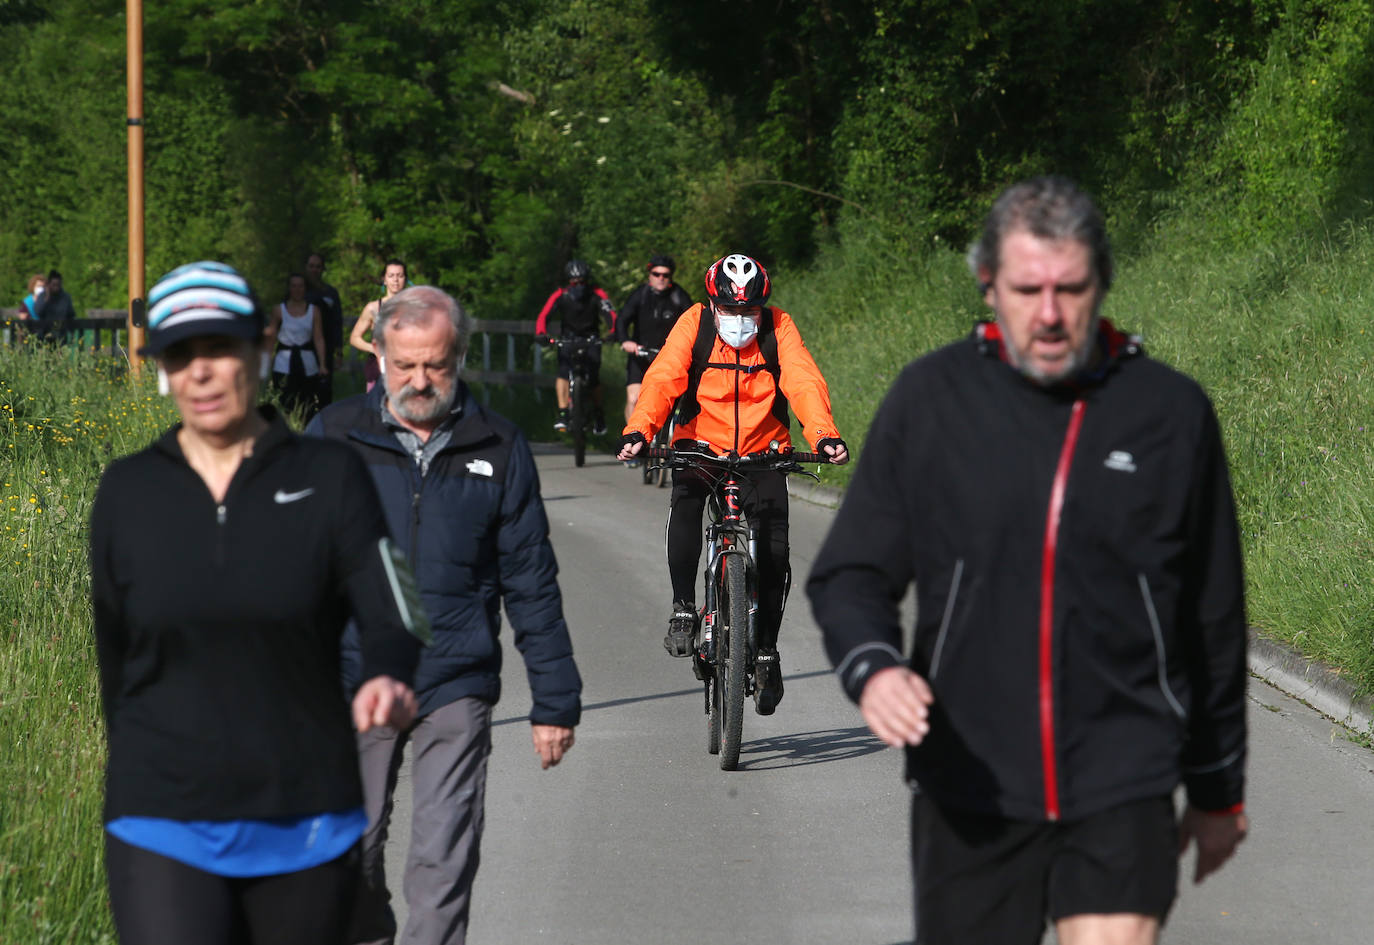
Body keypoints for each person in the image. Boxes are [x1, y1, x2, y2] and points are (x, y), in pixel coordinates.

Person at [806, 176, 1249, 945]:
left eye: (1071, 289)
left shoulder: (1169, 414)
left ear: (1102, 283)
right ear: (988, 287)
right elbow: (852, 571)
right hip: (971, 778)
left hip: (1123, 772)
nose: (1049, 314)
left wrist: (1218, 792)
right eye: (1027, 288)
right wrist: (873, 666)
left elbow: (1213, 615)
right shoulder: (931, 400)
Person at [89, 260, 421, 945]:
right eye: (181, 354)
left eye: (220, 348)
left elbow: (399, 607)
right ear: (162, 368)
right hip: (161, 813)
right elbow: (115, 659)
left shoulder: (331, 475)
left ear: (260, 347)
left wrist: (387, 671)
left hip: (303, 810)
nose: (202, 371)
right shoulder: (127, 492)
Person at [306, 285, 583, 945]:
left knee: (442, 858)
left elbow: (530, 580)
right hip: (353, 675)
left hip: (455, 678)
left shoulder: (500, 446)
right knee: (348, 853)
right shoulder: (333, 436)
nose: (420, 381)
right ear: (378, 356)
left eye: (436, 364)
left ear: (458, 357)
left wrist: (554, 700)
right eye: (405, 366)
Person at [617, 252, 848, 715]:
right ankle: (684, 606)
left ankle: (765, 650)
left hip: (764, 449)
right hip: (701, 445)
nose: (742, 319)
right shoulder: (695, 323)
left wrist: (823, 435)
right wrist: (641, 430)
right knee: (684, 505)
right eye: (732, 310)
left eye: (750, 310)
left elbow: (803, 381)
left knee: (776, 550)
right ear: (713, 303)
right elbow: (663, 378)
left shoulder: (778, 327)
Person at [614, 253, 693, 465]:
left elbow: (696, 323)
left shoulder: (679, 296)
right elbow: (622, 320)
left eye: (665, 275)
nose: (660, 278)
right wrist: (625, 341)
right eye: (656, 274)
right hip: (640, 356)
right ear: (649, 274)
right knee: (633, 399)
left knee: (676, 403)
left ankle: (673, 442)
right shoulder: (640, 295)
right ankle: (630, 443)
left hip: (671, 359)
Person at [534, 259, 616, 434]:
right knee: (563, 373)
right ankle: (563, 413)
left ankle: (598, 413)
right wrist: (541, 333)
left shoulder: (597, 294)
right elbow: (544, 316)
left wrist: (613, 332)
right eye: (574, 281)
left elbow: (611, 315)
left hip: (591, 339)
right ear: (569, 281)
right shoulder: (560, 295)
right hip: (568, 339)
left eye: (582, 281)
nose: (578, 285)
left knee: (593, 377)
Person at [269, 272, 329, 421]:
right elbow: (271, 338)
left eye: (300, 286)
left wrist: (322, 364)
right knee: (285, 400)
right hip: (284, 362)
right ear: (289, 288)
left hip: (307, 362)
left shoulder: (314, 310)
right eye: (294, 286)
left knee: (307, 402)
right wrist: (266, 361)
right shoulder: (279, 310)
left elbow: (318, 337)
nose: (297, 289)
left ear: (305, 288)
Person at [350, 259, 408, 392]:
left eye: (400, 276)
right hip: (379, 371)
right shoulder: (373, 308)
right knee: (376, 410)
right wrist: (374, 349)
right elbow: (354, 338)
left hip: (406, 370)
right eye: (391, 276)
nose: (395, 280)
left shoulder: (414, 308)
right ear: (384, 279)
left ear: (405, 278)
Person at [306, 250, 345, 406]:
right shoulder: (298, 291)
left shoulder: (330, 292)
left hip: (326, 347)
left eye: (318, 266)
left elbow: (337, 321)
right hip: (303, 346)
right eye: (311, 266)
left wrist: (339, 350)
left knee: (324, 389)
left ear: (323, 269)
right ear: (306, 267)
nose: (314, 270)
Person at [33, 268, 76, 342]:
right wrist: (47, 298)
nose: (56, 287)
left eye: (58, 285)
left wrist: (71, 332)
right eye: (54, 285)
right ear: (49, 284)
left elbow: (71, 314)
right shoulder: (43, 296)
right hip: (44, 334)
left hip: (60, 335)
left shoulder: (65, 297)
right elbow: (38, 312)